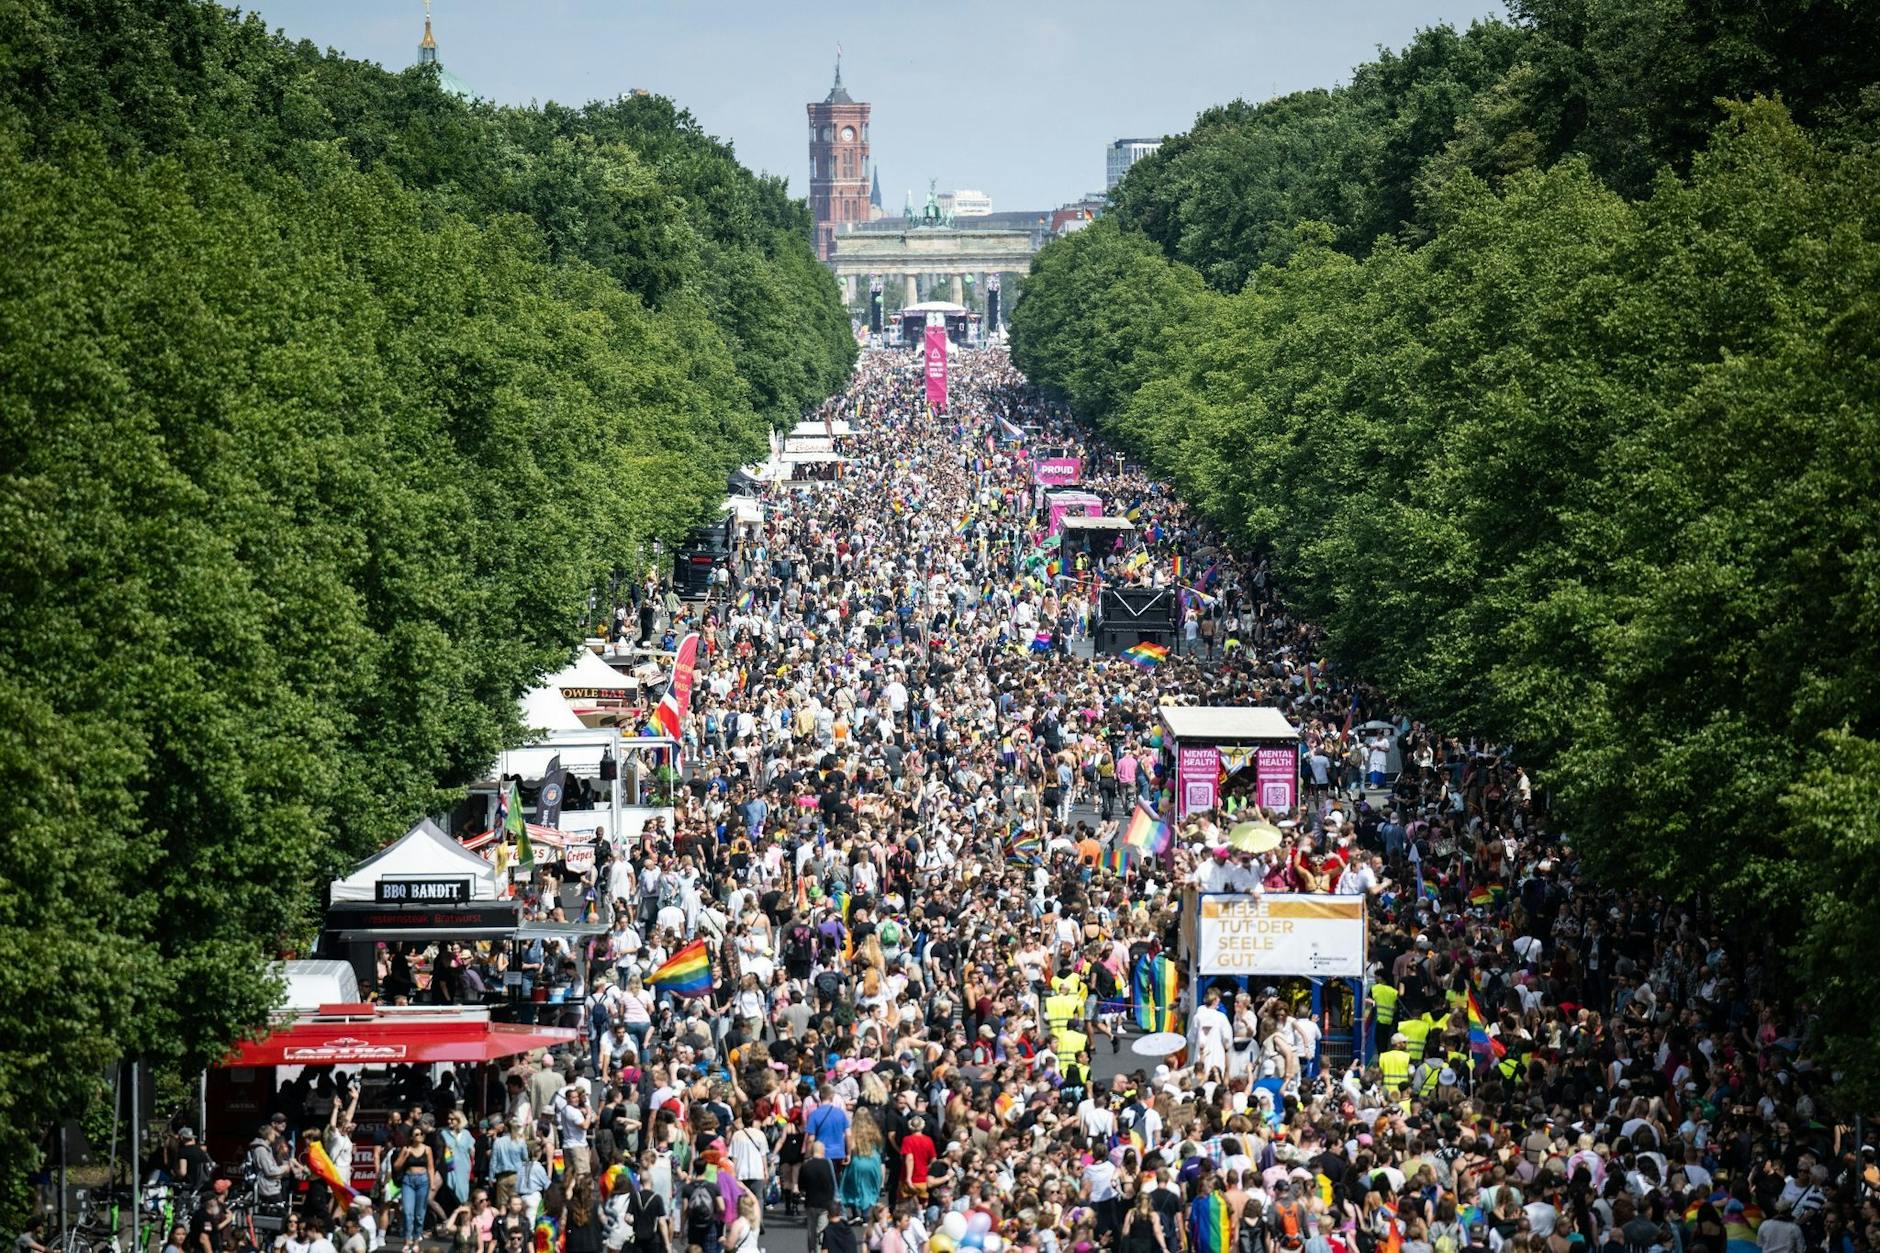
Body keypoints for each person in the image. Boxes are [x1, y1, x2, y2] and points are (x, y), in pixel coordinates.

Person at [800, 1141, 839, 1253]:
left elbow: (801, 1185)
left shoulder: (806, 1165)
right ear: (822, 1151)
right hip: (824, 1204)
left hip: (810, 1203)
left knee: (811, 1231)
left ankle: (812, 1250)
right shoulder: (826, 1164)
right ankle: (820, 1250)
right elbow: (831, 1185)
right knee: (821, 1231)